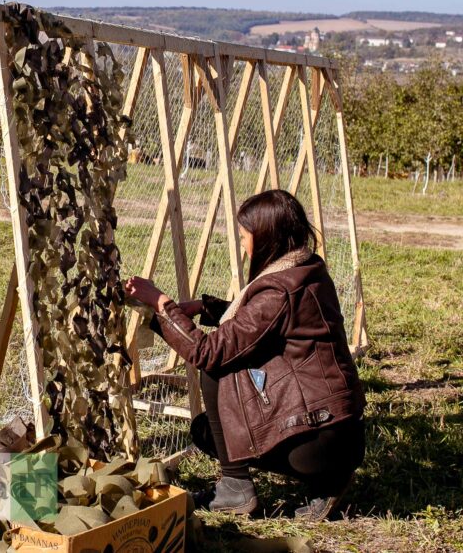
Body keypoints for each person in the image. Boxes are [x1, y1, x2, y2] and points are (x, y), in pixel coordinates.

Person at [124, 190, 365, 520]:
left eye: (244, 237)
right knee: (212, 419)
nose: (242, 245)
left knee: (216, 380)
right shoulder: (307, 270)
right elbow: (265, 324)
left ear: (267, 237)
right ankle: (328, 478)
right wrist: (206, 308)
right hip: (341, 434)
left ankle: (236, 488)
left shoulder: (278, 290)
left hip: (318, 442)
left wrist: (161, 304)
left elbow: (209, 352)